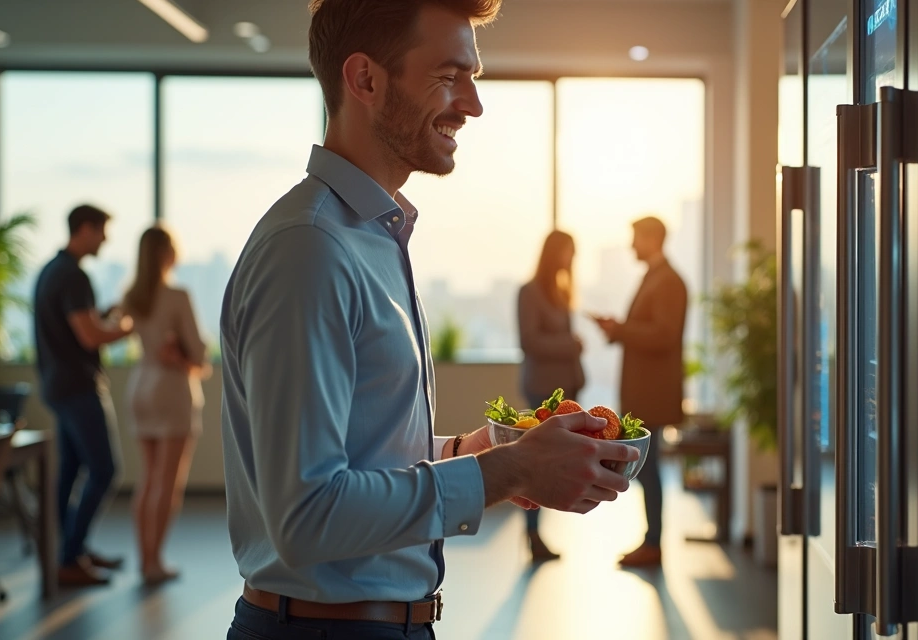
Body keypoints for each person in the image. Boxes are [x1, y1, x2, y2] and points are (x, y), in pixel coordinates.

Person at [219, 2, 640, 639]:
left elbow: (366, 452)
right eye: (448, 76)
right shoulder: (311, 249)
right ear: (364, 80)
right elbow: (305, 515)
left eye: (471, 76)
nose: (472, 105)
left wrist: (477, 452)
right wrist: (509, 472)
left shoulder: (370, 235)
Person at [33, 204, 132, 586]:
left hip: (58, 386)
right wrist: (126, 327)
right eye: (102, 230)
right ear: (86, 229)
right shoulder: (74, 276)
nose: (105, 239)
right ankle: (70, 556)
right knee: (105, 470)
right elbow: (89, 336)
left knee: (71, 471)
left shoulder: (51, 272)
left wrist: (102, 318)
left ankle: (70, 551)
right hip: (78, 388)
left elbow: (77, 326)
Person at [591, 216, 688, 568]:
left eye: (635, 238)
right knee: (649, 469)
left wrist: (621, 329)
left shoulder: (668, 282)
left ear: (651, 238)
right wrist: (619, 330)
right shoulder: (656, 278)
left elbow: (663, 335)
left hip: (654, 395)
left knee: (650, 469)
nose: (632, 246)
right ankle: (651, 541)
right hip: (647, 392)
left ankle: (653, 543)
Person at [120, 226, 210, 585]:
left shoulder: (132, 296)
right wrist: (187, 357)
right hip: (171, 389)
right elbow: (200, 354)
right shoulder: (177, 295)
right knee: (168, 484)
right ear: (166, 253)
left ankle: (145, 559)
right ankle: (154, 562)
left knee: (148, 480)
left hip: (141, 386)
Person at [516, 230, 584, 563]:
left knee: (553, 463)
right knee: (536, 462)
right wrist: (571, 346)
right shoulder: (530, 292)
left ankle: (536, 532)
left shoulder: (560, 290)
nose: (571, 260)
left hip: (564, 389)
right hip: (542, 388)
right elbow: (530, 341)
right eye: (567, 252)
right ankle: (531, 532)